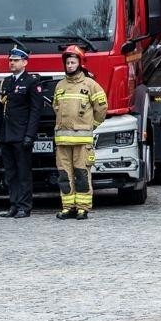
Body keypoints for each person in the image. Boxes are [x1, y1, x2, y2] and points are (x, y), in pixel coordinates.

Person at [53, 45, 107, 220]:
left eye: (73, 62)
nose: (69, 65)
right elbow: (56, 107)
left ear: (80, 63)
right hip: (62, 141)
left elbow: (102, 107)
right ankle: (68, 207)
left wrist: (93, 125)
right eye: (67, 62)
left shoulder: (91, 85)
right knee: (64, 175)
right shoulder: (60, 85)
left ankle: (83, 208)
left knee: (82, 174)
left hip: (82, 141)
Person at [0, 47, 43, 219]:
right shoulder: (6, 82)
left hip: (21, 135)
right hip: (7, 134)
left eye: (15, 60)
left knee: (23, 173)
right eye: (10, 60)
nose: (12, 63)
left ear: (24, 62)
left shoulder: (31, 82)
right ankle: (13, 204)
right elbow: (1, 110)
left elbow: (35, 112)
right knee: (10, 173)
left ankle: (24, 206)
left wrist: (30, 135)